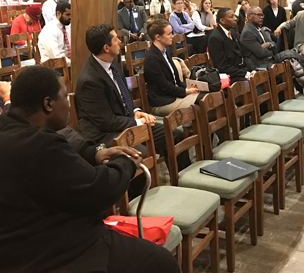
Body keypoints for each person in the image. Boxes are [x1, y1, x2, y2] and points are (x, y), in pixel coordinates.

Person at [0, 66, 180, 273]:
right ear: (48, 104)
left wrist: (94, 152)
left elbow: (69, 139)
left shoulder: (11, 126)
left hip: (13, 248)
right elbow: (98, 190)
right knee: (161, 263)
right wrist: (126, 162)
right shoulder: (41, 145)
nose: (69, 105)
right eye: (65, 97)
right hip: (55, 250)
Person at [75, 24, 190, 168]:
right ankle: (142, 190)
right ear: (106, 48)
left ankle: (179, 179)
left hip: (124, 122)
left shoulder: (112, 64)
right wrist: (140, 123)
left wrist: (137, 112)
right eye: (116, 39)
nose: (120, 42)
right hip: (104, 134)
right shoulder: (90, 81)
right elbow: (107, 122)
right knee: (140, 155)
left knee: (173, 135)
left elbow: (124, 95)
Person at [144, 20, 203, 116]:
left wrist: (187, 87)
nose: (172, 36)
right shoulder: (152, 59)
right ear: (158, 37)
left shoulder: (165, 51)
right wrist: (185, 91)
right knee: (201, 105)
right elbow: (165, 86)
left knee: (208, 98)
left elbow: (176, 80)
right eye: (169, 34)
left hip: (173, 95)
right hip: (163, 102)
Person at [208, 8, 252, 84]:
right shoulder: (215, 38)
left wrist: (251, 69)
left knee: (264, 75)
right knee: (254, 82)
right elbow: (222, 66)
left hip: (242, 68)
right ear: (222, 21)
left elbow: (242, 52)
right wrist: (244, 73)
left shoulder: (232, 32)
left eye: (235, 16)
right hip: (230, 75)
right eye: (231, 17)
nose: (235, 19)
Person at [38, 1, 72, 66]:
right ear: (58, 13)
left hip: (66, 63)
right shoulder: (49, 30)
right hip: (52, 66)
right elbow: (55, 56)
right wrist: (72, 63)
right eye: (67, 15)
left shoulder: (67, 26)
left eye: (71, 14)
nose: (70, 17)